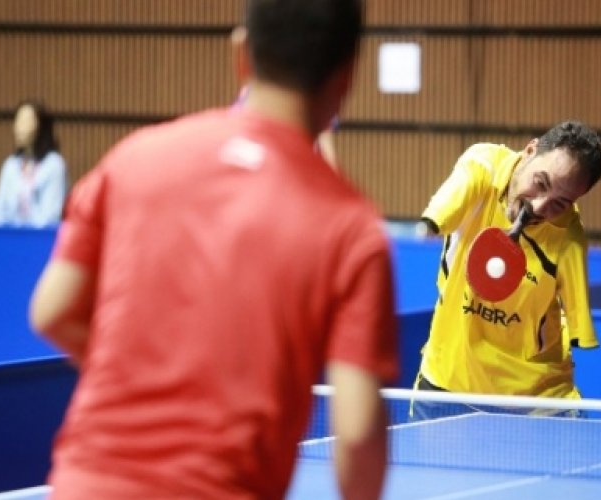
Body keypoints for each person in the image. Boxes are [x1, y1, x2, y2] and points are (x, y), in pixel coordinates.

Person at [28, 1, 399, 499]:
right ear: (348, 75)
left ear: (240, 54)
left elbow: (52, 311)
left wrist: (148, 375)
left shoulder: (135, 157)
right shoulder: (351, 228)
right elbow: (354, 435)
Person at [412, 120, 601, 418]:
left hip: (535, 398)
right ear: (529, 150)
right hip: (448, 382)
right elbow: (459, 189)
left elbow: (578, 320)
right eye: (540, 183)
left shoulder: (568, 236)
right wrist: (431, 223)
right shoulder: (484, 168)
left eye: (560, 203)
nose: (540, 207)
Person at [0, 100, 67, 227]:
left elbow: (51, 217)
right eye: (17, 121)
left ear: (41, 126)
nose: (19, 128)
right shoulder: (10, 166)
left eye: (25, 122)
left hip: (39, 241)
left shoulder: (54, 165)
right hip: (10, 240)